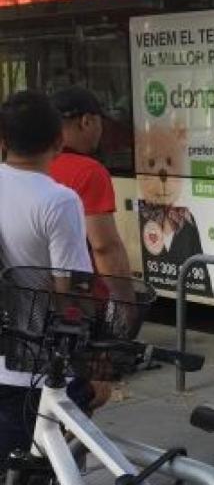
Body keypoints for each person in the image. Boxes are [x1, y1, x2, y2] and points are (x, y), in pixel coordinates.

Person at [0, 91, 98, 460]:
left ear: (3, 141)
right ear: (59, 141)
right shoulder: (58, 200)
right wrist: (92, 367)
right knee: (56, 467)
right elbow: (69, 293)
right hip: (39, 371)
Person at [50, 86, 131, 277]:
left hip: (31, 290)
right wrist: (125, 301)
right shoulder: (89, 172)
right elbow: (105, 247)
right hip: (80, 296)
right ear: (86, 122)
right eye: (100, 122)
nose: (101, 130)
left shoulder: (27, 168)